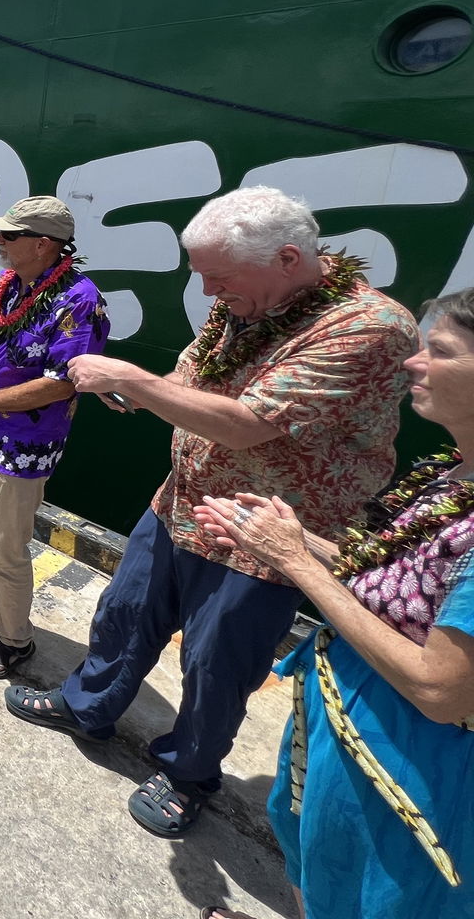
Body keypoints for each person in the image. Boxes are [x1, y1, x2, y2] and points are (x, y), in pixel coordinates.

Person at [5, 186, 420, 837]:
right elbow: (191, 378)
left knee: (216, 663)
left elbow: (248, 425)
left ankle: (187, 773)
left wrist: (128, 379)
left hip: (266, 532)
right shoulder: (246, 301)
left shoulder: (368, 328)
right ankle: (87, 705)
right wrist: (147, 394)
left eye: (217, 276)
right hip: (182, 501)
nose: (206, 292)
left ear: (287, 258)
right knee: (124, 612)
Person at [190, 288, 474, 919]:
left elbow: (442, 688)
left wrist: (294, 562)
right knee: (313, 853)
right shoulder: (458, 474)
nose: (413, 364)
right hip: (342, 714)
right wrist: (285, 542)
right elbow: (396, 584)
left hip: (407, 764)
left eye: (442, 352)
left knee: (373, 888)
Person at [0, 197, 110, 679]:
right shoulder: (4, 284)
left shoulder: (80, 300)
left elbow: (64, 380)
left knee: (4, 542)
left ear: (43, 244)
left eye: (9, 235)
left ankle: (14, 639)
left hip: (25, 442)